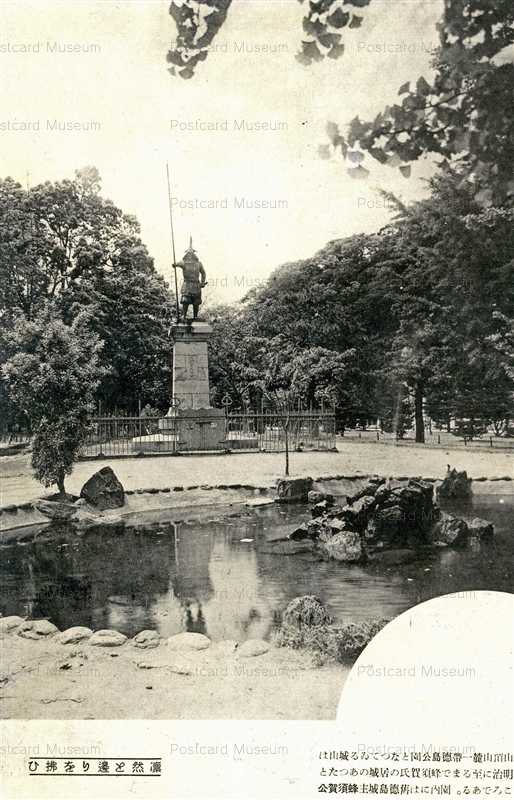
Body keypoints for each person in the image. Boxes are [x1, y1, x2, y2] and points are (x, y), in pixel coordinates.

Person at [173, 238, 207, 320]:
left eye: (192, 253)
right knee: (185, 300)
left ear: (194, 254)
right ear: (187, 254)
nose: (190, 255)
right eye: (189, 253)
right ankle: (184, 316)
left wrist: (202, 282)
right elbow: (177, 264)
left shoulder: (199, 263)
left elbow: (203, 273)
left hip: (196, 284)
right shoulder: (183, 262)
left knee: (196, 301)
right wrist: (175, 264)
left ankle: (195, 316)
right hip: (187, 284)